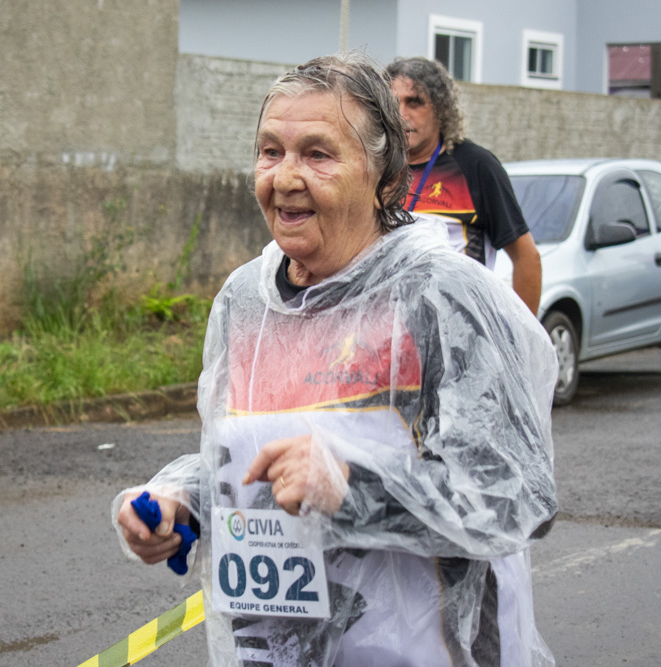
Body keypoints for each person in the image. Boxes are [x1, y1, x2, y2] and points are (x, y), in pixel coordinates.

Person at [112, 51, 558, 666]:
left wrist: (352, 488)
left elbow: (515, 495)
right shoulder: (247, 301)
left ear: (384, 179)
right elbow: (246, 454)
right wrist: (181, 500)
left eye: (318, 154)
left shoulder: (443, 296)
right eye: (271, 151)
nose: (285, 177)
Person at [385, 56, 543, 316]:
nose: (402, 114)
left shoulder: (477, 166)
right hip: (387, 327)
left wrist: (518, 342)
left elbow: (527, 258)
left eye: (414, 102)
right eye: (393, 103)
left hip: (460, 331)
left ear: (442, 108)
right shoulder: (377, 166)